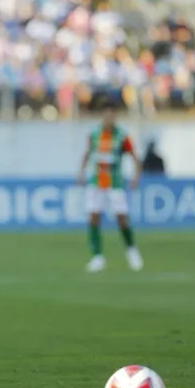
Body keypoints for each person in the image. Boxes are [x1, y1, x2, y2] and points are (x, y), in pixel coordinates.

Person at [77, 101, 143, 273]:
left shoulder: (122, 136)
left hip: (115, 183)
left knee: (122, 218)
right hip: (97, 182)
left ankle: (131, 250)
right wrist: (81, 172)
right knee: (93, 217)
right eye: (106, 114)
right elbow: (87, 153)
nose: (109, 118)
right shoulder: (95, 134)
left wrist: (136, 176)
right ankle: (97, 257)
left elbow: (135, 157)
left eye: (112, 115)